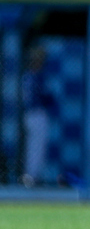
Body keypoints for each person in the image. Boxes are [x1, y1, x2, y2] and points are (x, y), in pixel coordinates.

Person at [21, 47, 53, 187]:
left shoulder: (27, 76)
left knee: (33, 146)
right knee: (36, 147)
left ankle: (31, 176)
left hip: (29, 114)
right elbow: (47, 97)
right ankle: (31, 177)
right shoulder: (37, 76)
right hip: (37, 113)